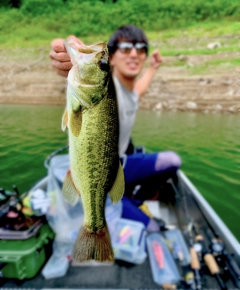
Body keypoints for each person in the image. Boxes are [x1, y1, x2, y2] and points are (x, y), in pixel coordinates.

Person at [49, 25, 182, 231]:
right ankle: (109, 208)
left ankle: (130, 194)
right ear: (111, 59)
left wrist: (153, 68)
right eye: (126, 48)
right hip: (101, 170)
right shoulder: (108, 88)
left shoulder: (130, 92)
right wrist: (66, 50)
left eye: (141, 49)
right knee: (153, 229)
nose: (134, 54)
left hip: (120, 163)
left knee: (173, 160)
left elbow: (139, 89)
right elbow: (67, 44)